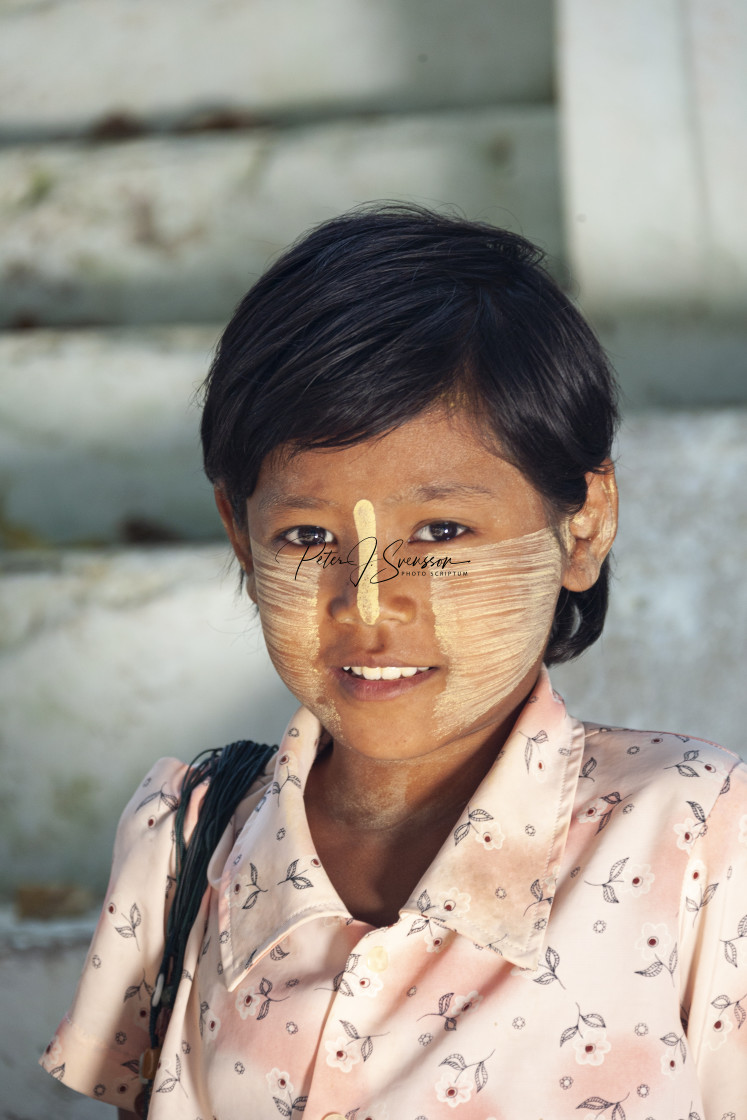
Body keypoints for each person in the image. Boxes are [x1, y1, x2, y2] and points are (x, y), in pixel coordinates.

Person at [41, 206, 747, 1119]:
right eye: (304, 535)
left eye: (442, 530)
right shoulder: (183, 846)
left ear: (584, 525)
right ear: (242, 542)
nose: (368, 600)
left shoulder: (697, 835)